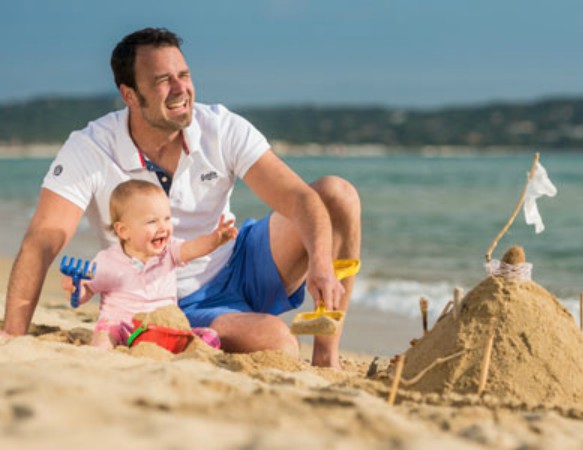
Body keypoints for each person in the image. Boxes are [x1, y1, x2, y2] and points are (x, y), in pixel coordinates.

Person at [1, 27, 361, 368]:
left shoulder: (219, 127)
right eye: (162, 80)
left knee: (337, 194)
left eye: (183, 75)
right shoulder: (91, 148)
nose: (180, 88)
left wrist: (320, 261)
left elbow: (299, 198)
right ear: (129, 95)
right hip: (169, 298)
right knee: (278, 341)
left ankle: (327, 359)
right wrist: (13, 335)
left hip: (240, 260)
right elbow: (44, 237)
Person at [61, 179, 236, 349]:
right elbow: (86, 292)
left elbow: (192, 248)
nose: (162, 227)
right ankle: (101, 351)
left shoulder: (169, 251)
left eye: (167, 219)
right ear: (123, 231)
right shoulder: (107, 261)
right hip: (123, 327)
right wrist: (76, 289)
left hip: (161, 328)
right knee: (105, 332)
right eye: (152, 221)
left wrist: (214, 240)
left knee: (209, 335)